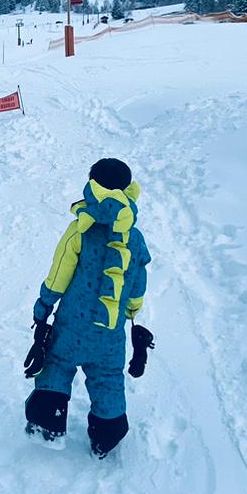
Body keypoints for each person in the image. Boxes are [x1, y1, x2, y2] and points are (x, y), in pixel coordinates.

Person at [23, 157, 153, 459]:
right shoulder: (135, 238)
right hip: (110, 332)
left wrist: (43, 306)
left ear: (92, 185)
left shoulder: (80, 229)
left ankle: (47, 423)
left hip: (71, 327)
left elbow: (59, 275)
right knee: (107, 377)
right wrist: (131, 312)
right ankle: (107, 435)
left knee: (56, 364)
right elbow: (137, 286)